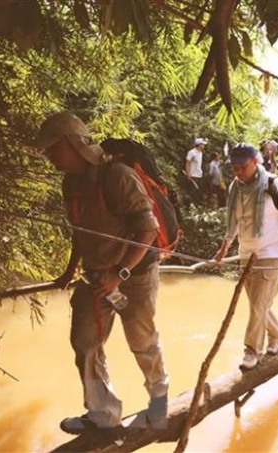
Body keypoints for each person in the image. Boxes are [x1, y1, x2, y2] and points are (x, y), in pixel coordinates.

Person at [33, 112, 169, 433]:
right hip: (95, 279)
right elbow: (80, 231)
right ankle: (103, 415)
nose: (49, 156)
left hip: (131, 280)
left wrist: (118, 274)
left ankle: (160, 406)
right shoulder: (71, 184)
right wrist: (70, 270)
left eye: (53, 148)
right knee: (85, 342)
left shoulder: (118, 177)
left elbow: (147, 231)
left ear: (71, 143)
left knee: (142, 341)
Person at [213, 143, 278, 370]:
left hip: (270, 253)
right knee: (257, 304)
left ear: (255, 161)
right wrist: (225, 247)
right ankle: (277, 334)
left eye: (242, 166)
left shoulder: (274, 184)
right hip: (246, 253)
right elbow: (234, 220)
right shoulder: (236, 186)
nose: (238, 171)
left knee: (258, 305)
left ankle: (252, 351)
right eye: (233, 167)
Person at [185, 138, 207, 206]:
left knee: (198, 192)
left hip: (199, 174)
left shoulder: (200, 153)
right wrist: (188, 174)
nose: (204, 146)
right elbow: (187, 163)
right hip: (193, 175)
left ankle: (196, 205)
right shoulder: (191, 152)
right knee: (193, 192)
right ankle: (191, 206)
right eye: (202, 144)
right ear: (199, 145)